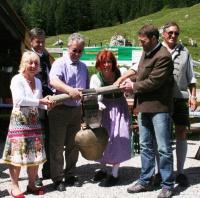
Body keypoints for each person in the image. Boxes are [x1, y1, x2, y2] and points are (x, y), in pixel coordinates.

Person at [120, 24, 174, 198]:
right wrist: (129, 81)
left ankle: (167, 184)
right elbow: (143, 75)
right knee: (145, 146)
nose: (140, 43)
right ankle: (146, 180)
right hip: (144, 107)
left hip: (160, 108)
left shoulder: (164, 56)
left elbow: (154, 82)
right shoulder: (146, 52)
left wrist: (133, 86)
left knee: (164, 148)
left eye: (143, 41)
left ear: (153, 38)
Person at [1, 51, 54, 198]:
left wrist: (48, 104)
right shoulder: (17, 79)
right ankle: (14, 186)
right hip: (19, 123)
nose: (33, 65)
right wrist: (41, 102)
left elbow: (38, 102)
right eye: (29, 62)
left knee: (35, 154)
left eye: (36, 63)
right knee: (17, 155)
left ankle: (31, 185)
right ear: (23, 64)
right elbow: (19, 100)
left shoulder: (37, 81)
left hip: (34, 122)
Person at [155, 21, 197, 187]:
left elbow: (191, 77)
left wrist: (193, 96)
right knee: (161, 136)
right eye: (170, 32)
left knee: (181, 132)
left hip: (180, 98)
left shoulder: (185, 52)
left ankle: (180, 172)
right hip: (161, 99)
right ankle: (160, 172)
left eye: (176, 33)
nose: (173, 35)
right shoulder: (156, 50)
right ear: (163, 33)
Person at [48, 33, 89, 191]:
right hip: (59, 109)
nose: (77, 54)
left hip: (76, 109)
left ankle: (70, 174)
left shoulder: (84, 67)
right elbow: (54, 81)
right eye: (74, 50)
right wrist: (69, 90)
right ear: (68, 48)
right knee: (57, 145)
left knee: (74, 144)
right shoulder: (59, 63)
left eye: (80, 51)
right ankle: (57, 178)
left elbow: (84, 89)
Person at [90, 50, 131, 187]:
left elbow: (130, 87)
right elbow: (94, 96)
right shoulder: (96, 78)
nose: (106, 64)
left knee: (118, 138)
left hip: (120, 107)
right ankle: (102, 169)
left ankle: (114, 173)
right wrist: (99, 103)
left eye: (109, 61)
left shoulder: (121, 73)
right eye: (103, 62)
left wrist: (127, 88)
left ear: (113, 63)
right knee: (104, 139)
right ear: (99, 63)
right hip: (105, 110)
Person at [29, 28, 54, 184]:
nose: (40, 44)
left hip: (47, 100)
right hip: (34, 103)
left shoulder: (45, 56)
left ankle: (47, 170)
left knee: (48, 137)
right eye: (37, 41)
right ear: (31, 41)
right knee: (36, 139)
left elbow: (50, 76)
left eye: (43, 41)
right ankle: (35, 176)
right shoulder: (28, 57)